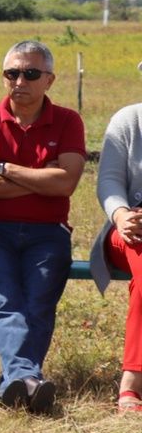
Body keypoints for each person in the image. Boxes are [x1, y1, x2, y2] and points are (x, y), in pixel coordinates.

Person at [0, 41, 85, 413]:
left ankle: (18, 382)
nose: (20, 81)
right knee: (5, 302)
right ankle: (29, 379)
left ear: (49, 79)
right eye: (11, 73)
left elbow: (66, 184)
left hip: (48, 231)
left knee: (38, 302)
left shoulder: (68, 121)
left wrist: (9, 169)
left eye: (30, 73)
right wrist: (41, 180)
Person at [89, 101, 142, 413]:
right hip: (129, 230)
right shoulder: (128, 120)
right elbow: (108, 181)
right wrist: (121, 215)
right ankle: (133, 382)